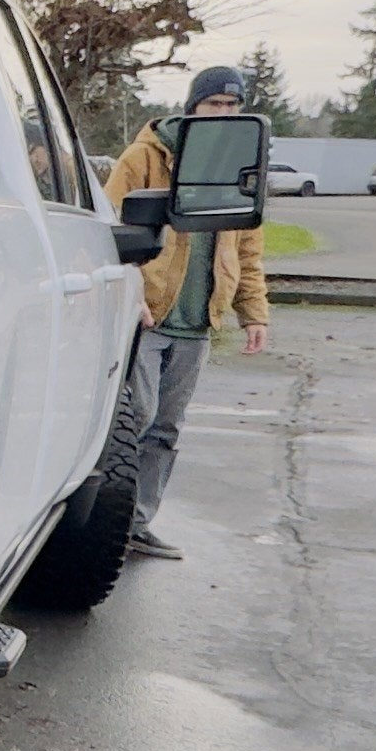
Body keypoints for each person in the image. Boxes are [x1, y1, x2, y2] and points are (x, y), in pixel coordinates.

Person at [98, 64, 270, 561]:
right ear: (193, 106)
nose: (224, 113)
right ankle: (103, 522)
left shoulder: (240, 167)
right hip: (149, 315)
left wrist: (253, 313)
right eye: (215, 103)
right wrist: (131, 295)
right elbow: (108, 229)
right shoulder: (145, 156)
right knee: (136, 417)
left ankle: (138, 524)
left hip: (197, 323)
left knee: (166, 429)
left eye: (233, 105)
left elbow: (249, 247)